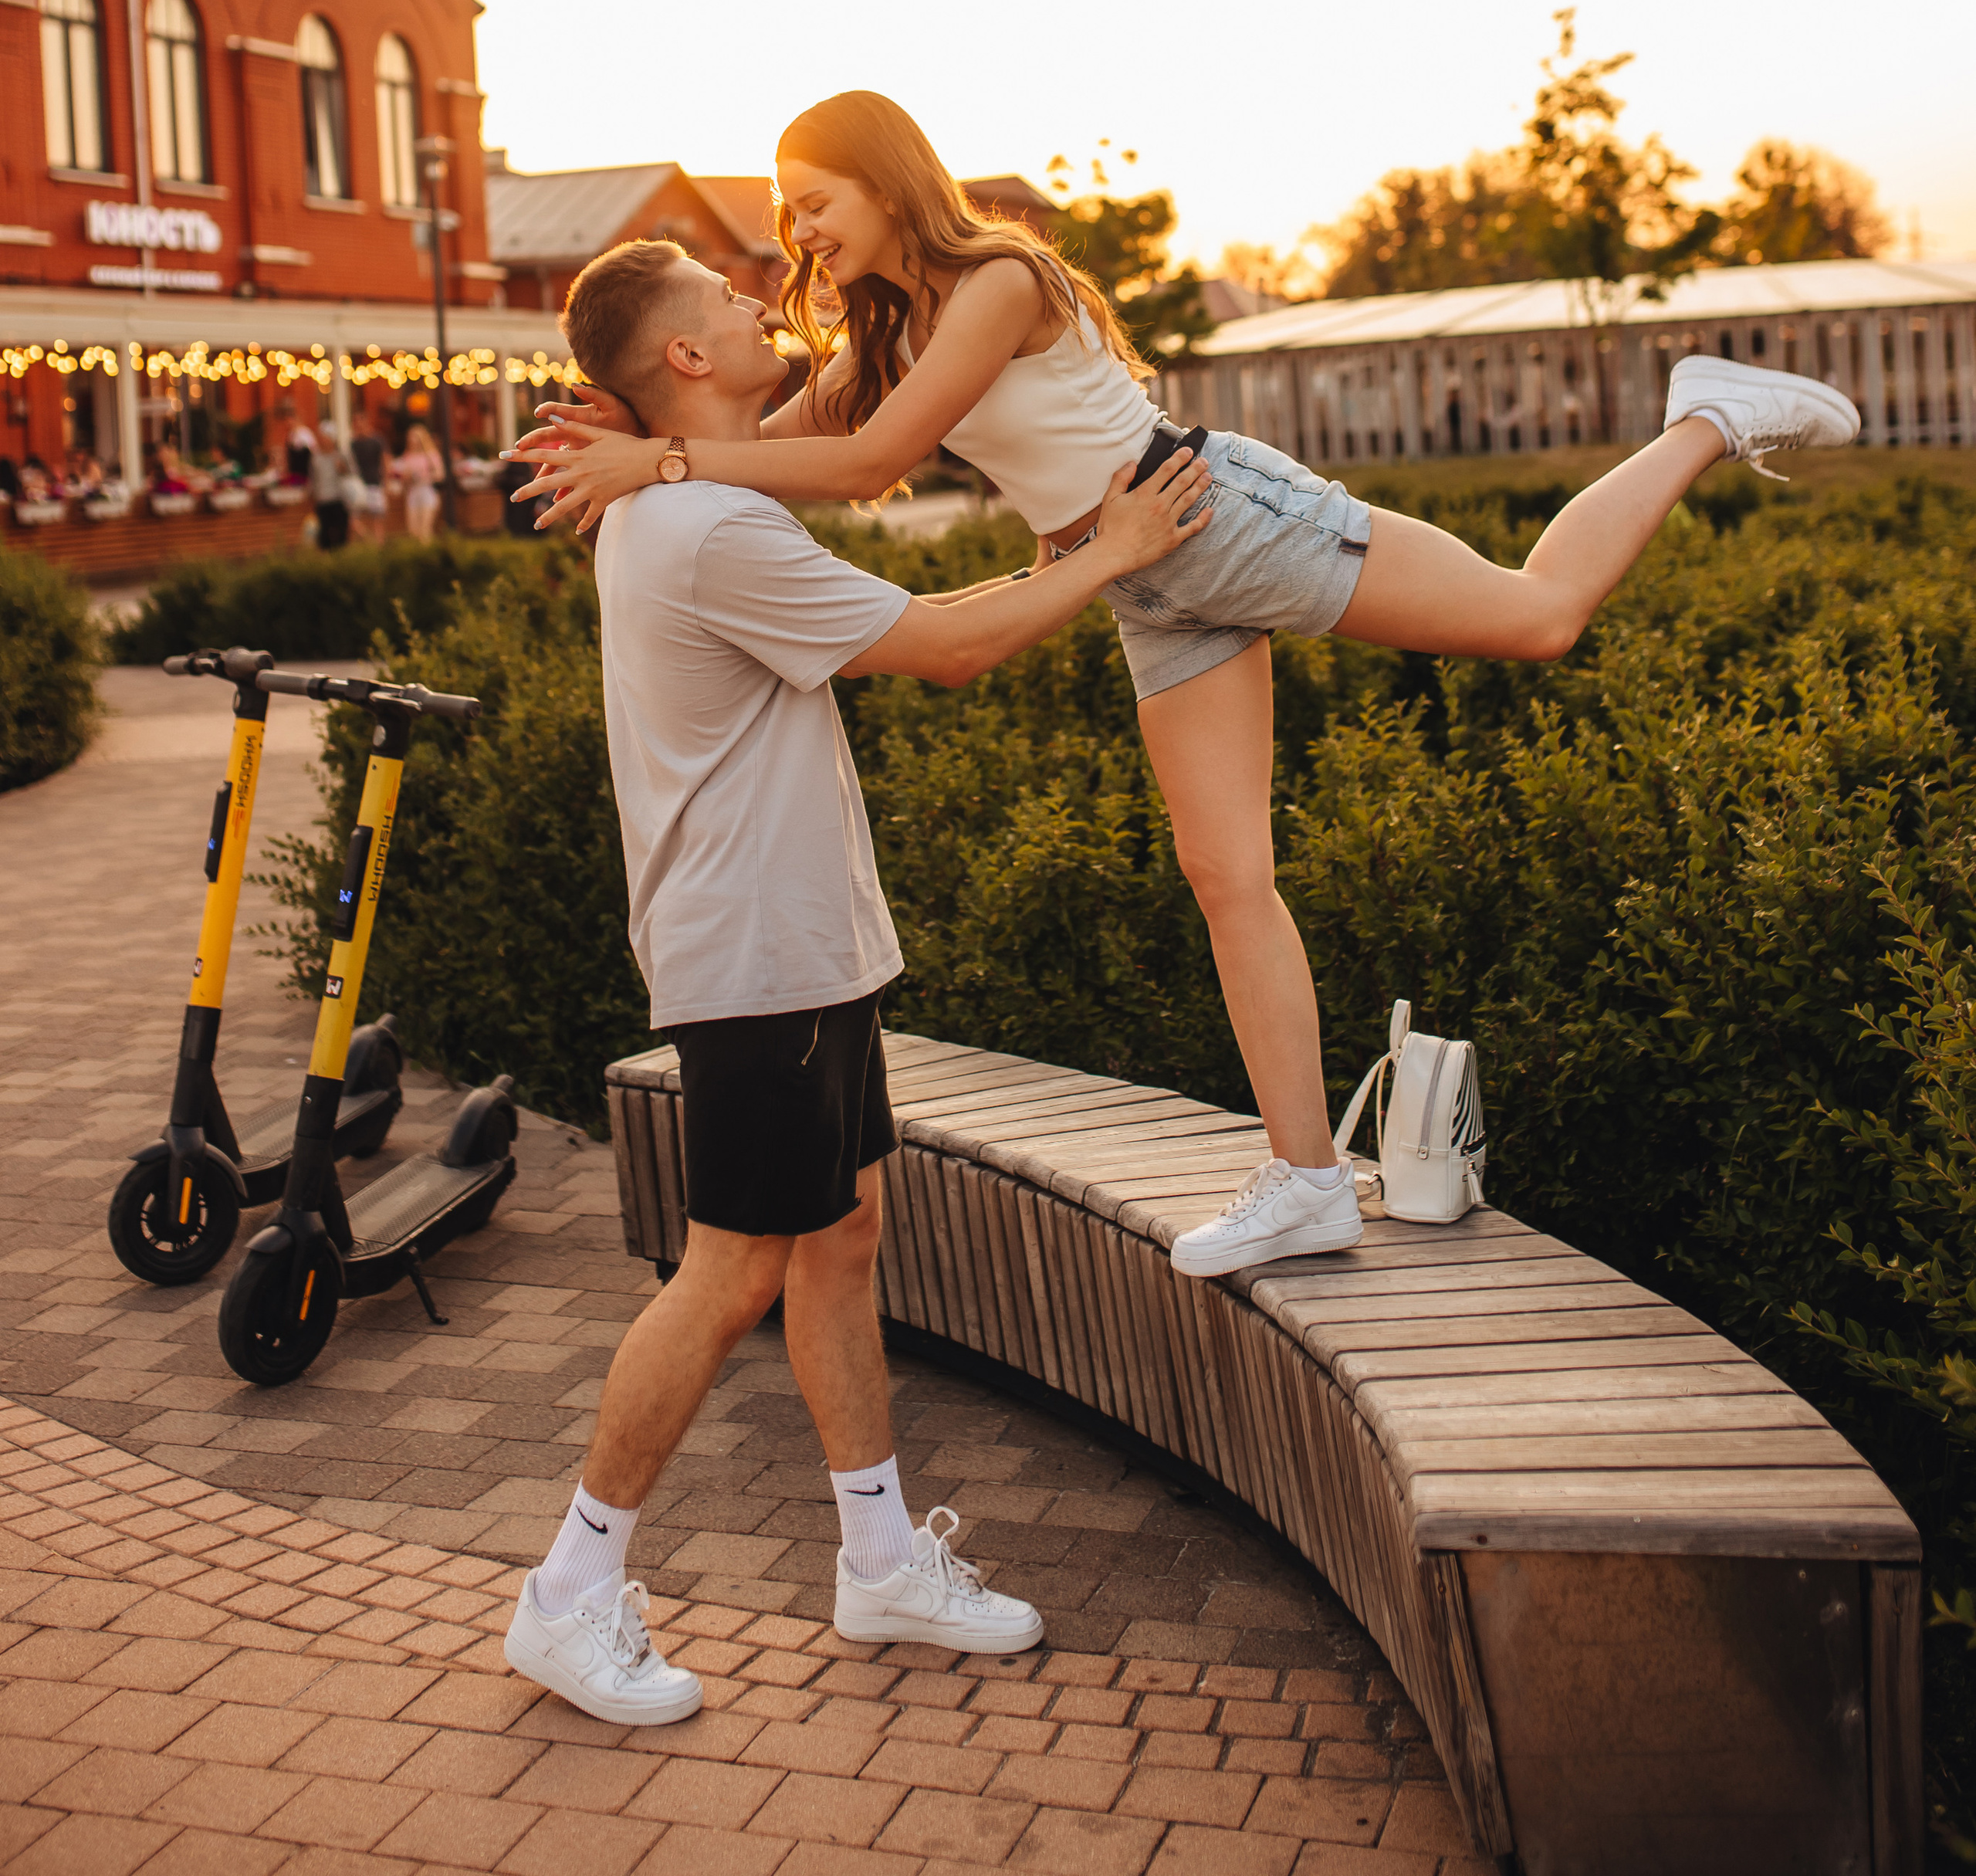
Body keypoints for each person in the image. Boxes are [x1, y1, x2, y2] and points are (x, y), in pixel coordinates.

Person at [515, 91, 1864, 1284]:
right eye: (787, 216)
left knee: (1541, 616)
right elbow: (776, 436)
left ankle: (1702, 413)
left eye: (814, 205)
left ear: (884, 179)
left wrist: (664, 471)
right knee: (1225, 872)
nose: (799, 235)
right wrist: (637, 430)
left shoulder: (993, 276)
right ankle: (1309, 1181)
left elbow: (872, 461)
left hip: (1213, 513)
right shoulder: (884, 333)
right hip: (1139, 572)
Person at [501, 235, 1210, 1726]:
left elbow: (861, 421)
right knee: (735, 1267)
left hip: (793, 951)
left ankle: (879, 1559)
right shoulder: (704, 526)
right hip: (757, 959)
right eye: (725, 300)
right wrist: (1113, 555)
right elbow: (946, 649)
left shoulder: (696, 494)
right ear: (686, 362)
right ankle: (569, 1593)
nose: (761, 302)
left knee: (839, 1240)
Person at [394, 419, 443, 540]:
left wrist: (424, 476)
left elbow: (440, 475)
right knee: (413, 531)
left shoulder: (431, 454)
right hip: (413, 493)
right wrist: (406, 477)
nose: (412, 439)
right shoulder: (408, 456)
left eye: (415, 437)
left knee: (425, 530)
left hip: (427, 492)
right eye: (410, 437)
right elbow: (403, 477)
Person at [349, 417, 389, 543]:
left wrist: (386, 484)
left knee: (377, 519)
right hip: (357, 485)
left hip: (374, 483)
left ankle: (378, 545)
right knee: (353, 521)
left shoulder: (377, 441)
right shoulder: (353, 444)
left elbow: (386, 462)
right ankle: (370, 540)